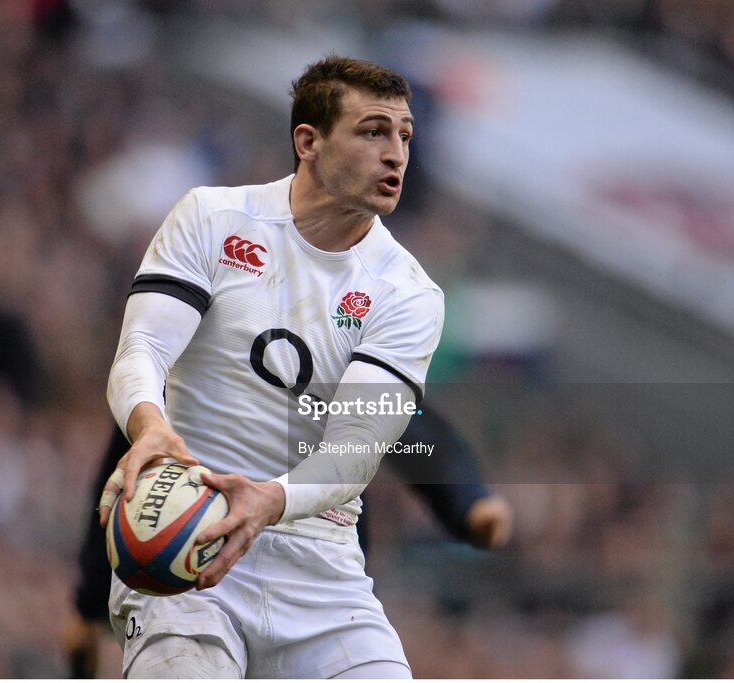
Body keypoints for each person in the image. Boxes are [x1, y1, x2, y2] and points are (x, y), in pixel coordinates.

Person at [98, 55, 445, 678]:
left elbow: (355, 449)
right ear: (308, 142)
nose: (396, 154)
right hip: (188, 532)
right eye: (372, 132)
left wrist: (270, 500)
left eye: (404, 135)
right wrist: (149, 426)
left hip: (318, 563)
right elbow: (142, 348)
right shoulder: (212, 218)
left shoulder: (408, 293)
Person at [66, 413, 512, 677]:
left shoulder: (331, 340)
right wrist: (89, 602)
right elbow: (127, 471)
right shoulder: (190, 351)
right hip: (203, 586)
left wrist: (466, 500)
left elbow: (405, 420)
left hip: (318, 585)